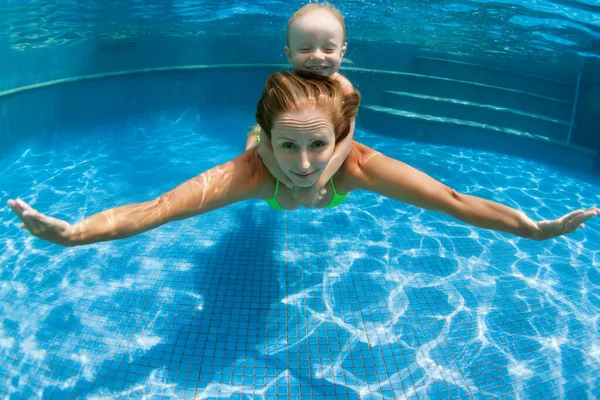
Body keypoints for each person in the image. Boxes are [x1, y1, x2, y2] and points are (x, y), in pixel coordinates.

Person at [7, 71, 598, 247]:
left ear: (340, 139)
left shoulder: (359, 165)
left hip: (327, 150)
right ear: (267, 141)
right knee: (274, 174)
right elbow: (157, 209)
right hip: (258, 161)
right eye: (287, 143)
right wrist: (75, 233)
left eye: (319, 143)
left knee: (311, 173)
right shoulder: (253, 170)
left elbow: (454, 202)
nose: (306, 161)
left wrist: (533, 229)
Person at [247, 2, 355, 206]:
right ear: (289, 53)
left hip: (309, 144)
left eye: (328, 48)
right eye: (305, 49)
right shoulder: (283, 87)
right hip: (285, 138)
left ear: (342, 52)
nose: (317, 55)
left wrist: (317, 183)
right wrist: (291, 183)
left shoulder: (344, 88)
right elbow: (265, 149)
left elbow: (345, 145)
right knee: (252, 153)